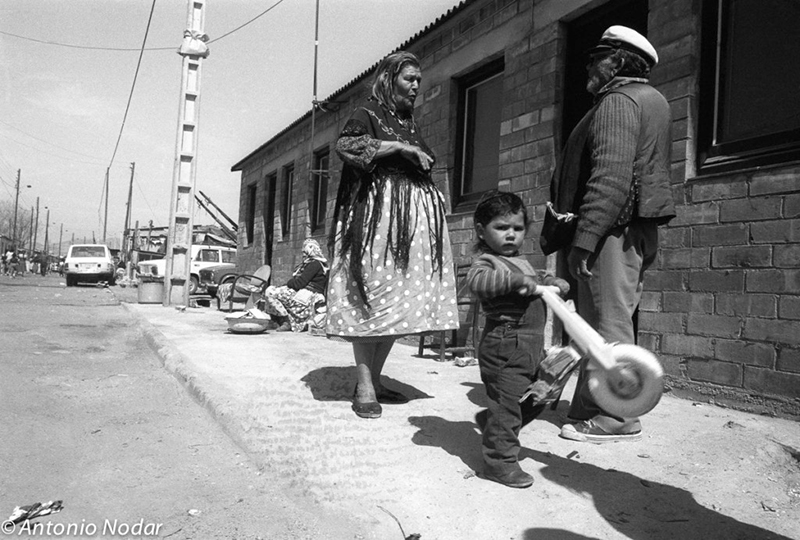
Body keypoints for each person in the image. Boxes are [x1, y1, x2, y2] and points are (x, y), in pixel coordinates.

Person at [546, 26, 675, 443]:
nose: (588, 65)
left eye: (596, 58)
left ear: (616, 62)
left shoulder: (618, 101)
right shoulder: (651, 100)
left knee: (606, 326)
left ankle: (618, 418)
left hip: (611, 233)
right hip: (633, 229)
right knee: (595, 324)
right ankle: (589, 406)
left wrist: (584, 240)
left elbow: (610, 177)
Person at [326, 50, 459, 419]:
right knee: (371, 295)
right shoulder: (367, 113)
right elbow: (348, 146)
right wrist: (400, 147)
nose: (416, 86)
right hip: (377, 221)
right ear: (389, 79)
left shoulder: (407, 120)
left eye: (418, 79)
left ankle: (376, 379)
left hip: (409, 225)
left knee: (397, 301)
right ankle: (364, 385)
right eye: (409, 79)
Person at [467, 191, 570, 488]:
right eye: (501, 228)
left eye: (518, 228)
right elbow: (476, 284)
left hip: (531, 345)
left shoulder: (523, 263)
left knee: (539, 396)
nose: (511, 235)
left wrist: (550, 282)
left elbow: (537, 277)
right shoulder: (486, 263)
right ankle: (499, 463)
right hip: (504, 345)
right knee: (508, 404)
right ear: (481, 231)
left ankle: (494, 423)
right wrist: (513, 281)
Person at [261, 238, 329, 333]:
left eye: (305, 252)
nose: (303, 254)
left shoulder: (315, 264)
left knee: (271, 292)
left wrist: (289, 282)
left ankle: (286, 320)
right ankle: (278, 320)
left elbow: (299, 283)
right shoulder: (311, 264)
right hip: (305, 291)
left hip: (309, 294)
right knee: (273, 290)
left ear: (311, 251)